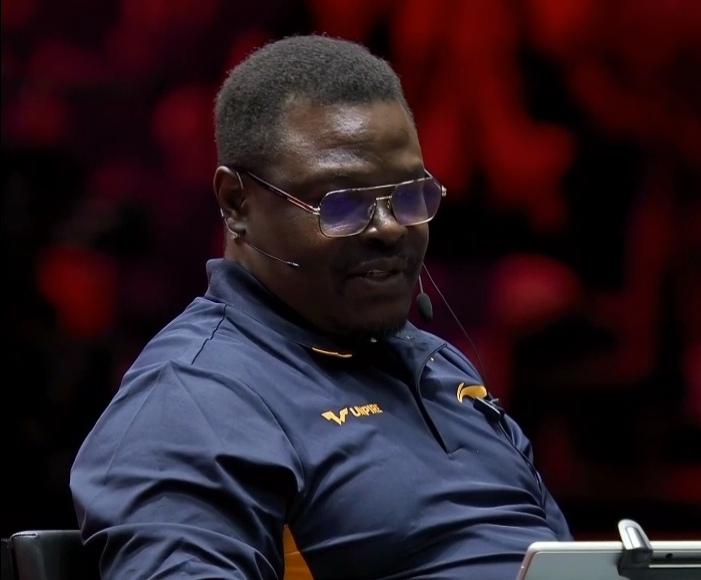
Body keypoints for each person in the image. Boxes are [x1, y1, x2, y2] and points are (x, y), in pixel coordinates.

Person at [70, 35, 571, 579]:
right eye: (343, 203)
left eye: (410, 195)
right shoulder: (196, 397)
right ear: (237, 204)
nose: (390, 229)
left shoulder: (443, 368)